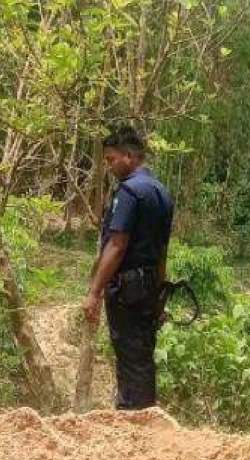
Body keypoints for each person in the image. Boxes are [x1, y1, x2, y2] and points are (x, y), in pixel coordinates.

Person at [82, 126, 175, 410]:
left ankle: (133, 418)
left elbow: (117, 244)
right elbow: (162, 250)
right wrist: (159, 291)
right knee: (142, 356)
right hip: (148, 286)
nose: (109, 166)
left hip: (128, 289)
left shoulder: (129, 191)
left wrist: (94, 292)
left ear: (129, 156)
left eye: (111, 159)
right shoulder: (162, 192)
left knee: (130, 357)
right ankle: (143, 415)